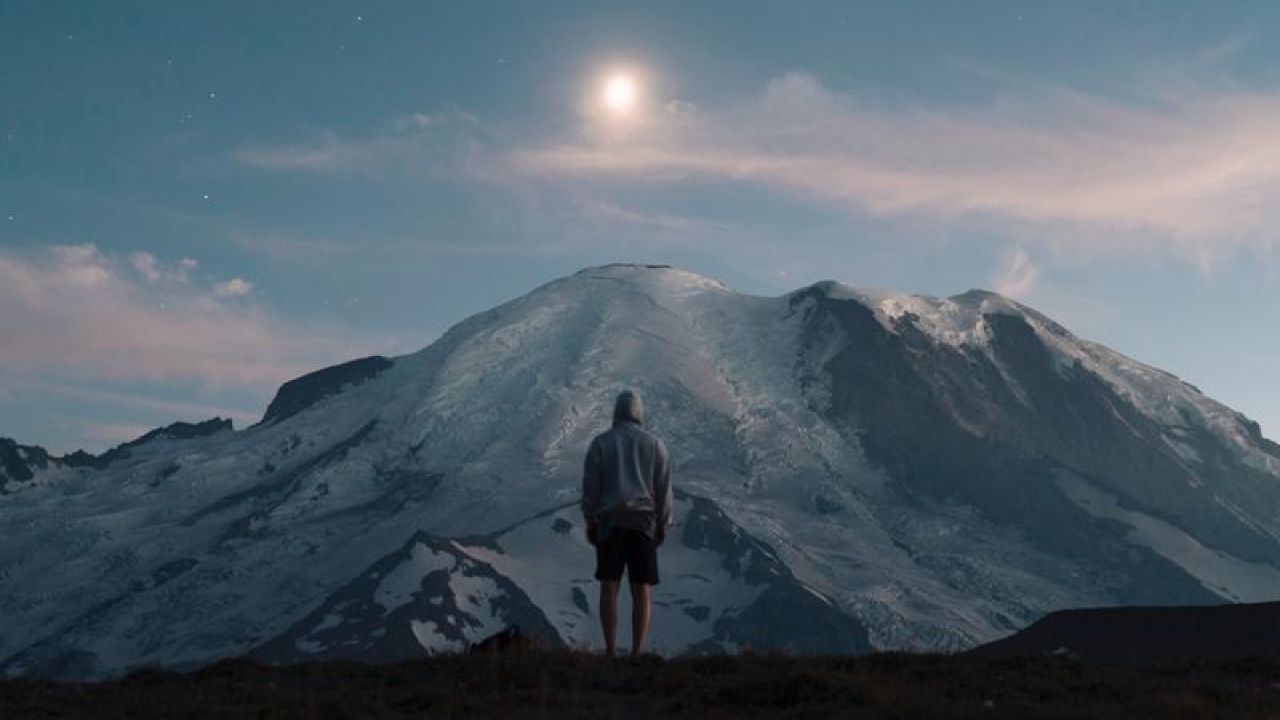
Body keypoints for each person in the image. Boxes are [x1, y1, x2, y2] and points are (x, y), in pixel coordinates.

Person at [581, 389, 673, 656]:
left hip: (609, 521)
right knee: (641, 588)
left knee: (609, 585)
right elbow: (663, 487)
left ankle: (610, 649)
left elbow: (591, 486)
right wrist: (663, 522)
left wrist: (590, 518)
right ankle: (636, 650)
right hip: (643, 521)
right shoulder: (655, 444)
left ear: (616, 411)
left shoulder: (601, 443)